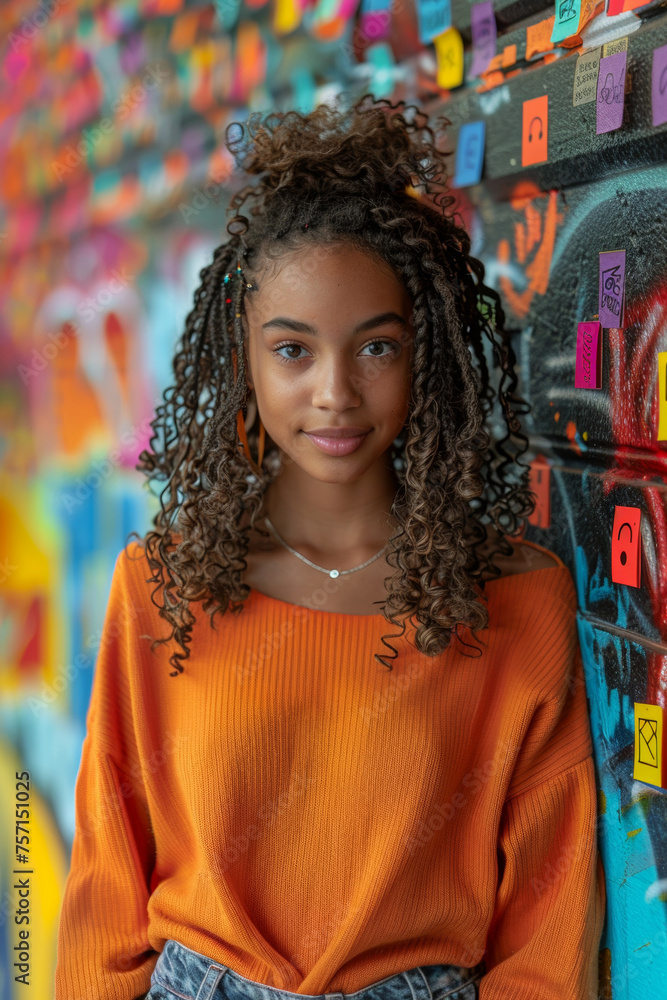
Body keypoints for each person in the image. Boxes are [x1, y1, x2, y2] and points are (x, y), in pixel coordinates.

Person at [54, 95, 606, 1000]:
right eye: (293, 351)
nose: (335, 393)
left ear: (422, 352)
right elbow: (106, 888)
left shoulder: (514, 602)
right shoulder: (163, 586)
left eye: (376, 348)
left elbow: (546, 938)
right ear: (246, 356)